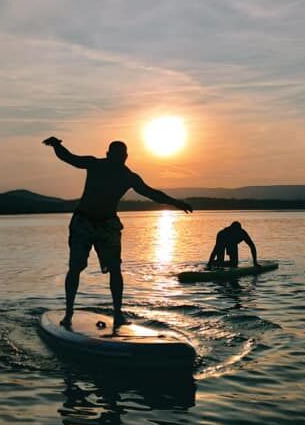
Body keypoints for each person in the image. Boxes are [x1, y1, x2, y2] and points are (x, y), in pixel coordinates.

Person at [44, 136, 193, 329]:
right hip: (84, 222)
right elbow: (70, 158)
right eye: (116, 155)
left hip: (108, 225)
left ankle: (118, 314)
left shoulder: (128, 176)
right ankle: (69, 313)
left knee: (115, 269)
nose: (119, 159)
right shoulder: (95, 164)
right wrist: (57, 145)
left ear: (126, 157)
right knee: (76, 267)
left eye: (121, 156)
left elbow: (152, 193)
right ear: (108, 155)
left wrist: (177, 203)